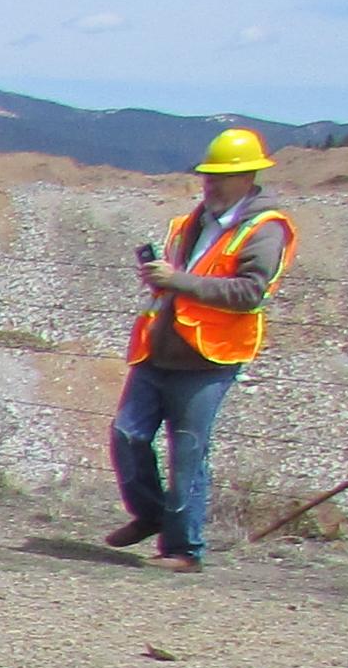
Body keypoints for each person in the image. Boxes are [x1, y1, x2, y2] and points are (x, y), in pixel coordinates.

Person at [111, 130, 294, 571]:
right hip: (160, 349)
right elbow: (181, 279)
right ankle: (152, 513)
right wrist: (162, 278)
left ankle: (183, 550)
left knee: (188, 451)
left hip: (209, 358)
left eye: (222, 177)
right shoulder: (192, 222)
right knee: (126, 434)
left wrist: (179, 281)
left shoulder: (265, 230)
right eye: (208, 176)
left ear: (249, 178)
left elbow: (250, 291)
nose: (210, 184)